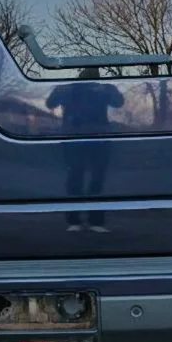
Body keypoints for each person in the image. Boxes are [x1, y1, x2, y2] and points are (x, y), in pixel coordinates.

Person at [45, 66, 124, 232]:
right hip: (78, 138)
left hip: (95, 138)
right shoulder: (71, 88)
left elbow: (118, 102)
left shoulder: (102, 89)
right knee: (79, 177)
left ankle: (88, 221)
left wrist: (106, 89)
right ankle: (83, 221)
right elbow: (50, 103)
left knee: (93, 178)